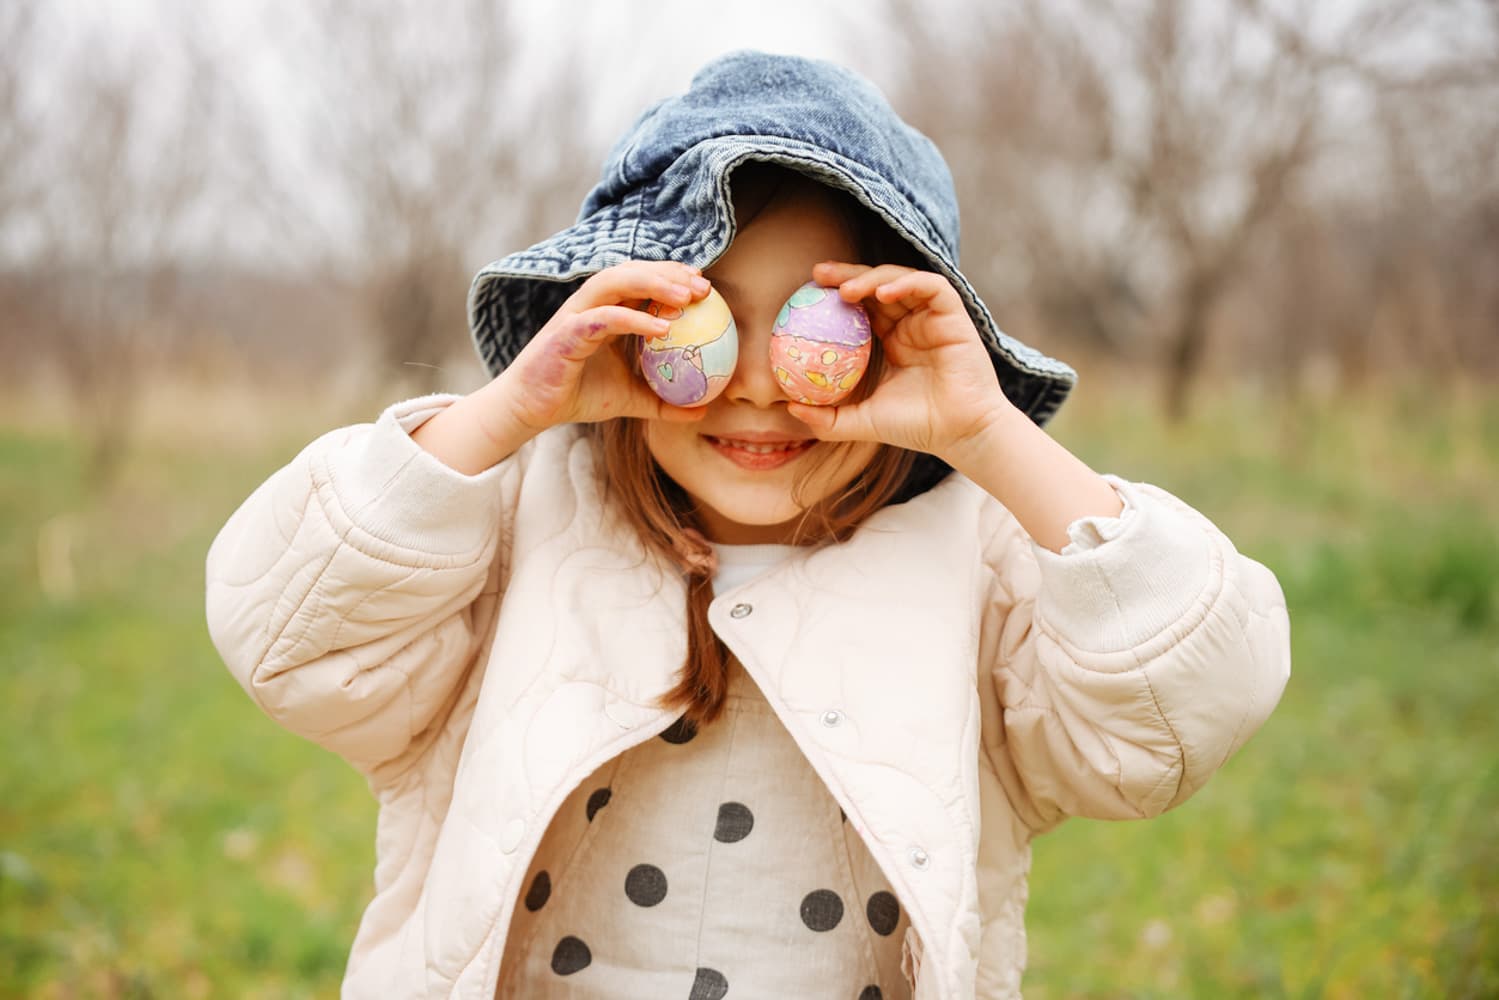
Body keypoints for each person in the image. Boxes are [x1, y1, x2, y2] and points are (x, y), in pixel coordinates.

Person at [206, 51, 1290, 1000]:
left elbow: (1184, 712)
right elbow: (291, 638)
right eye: (704, 313)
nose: (763, 382)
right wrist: (507, 415)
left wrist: (988, 433)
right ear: (619, 328)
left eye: (824, 320)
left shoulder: (984, 562)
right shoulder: (514, 517)